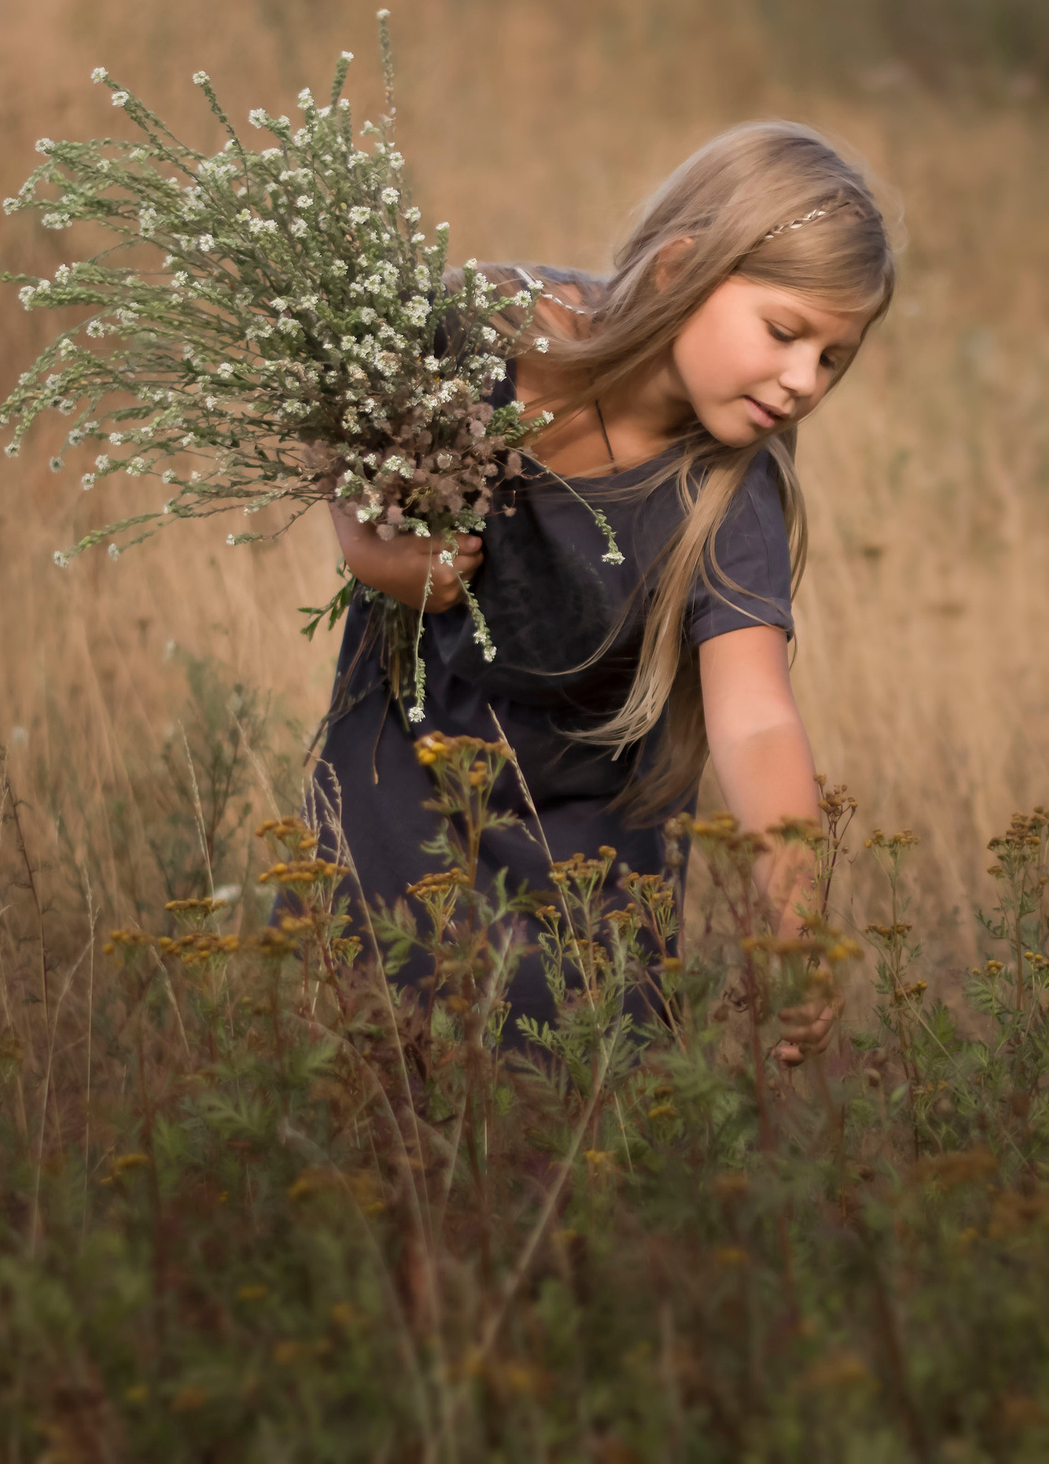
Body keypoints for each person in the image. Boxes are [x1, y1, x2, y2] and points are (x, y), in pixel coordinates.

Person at [302, 121, 893, 1065]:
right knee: (382, 1070)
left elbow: (755, 720)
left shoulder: (728, 494)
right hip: (398, 765)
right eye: (785, 333)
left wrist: (796, 916)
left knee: (572, 1097)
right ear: (678, 271)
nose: (802, 382)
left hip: (585, 838)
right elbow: (332, 411)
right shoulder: (486, 327)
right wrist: (375, 554)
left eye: (833, 359)